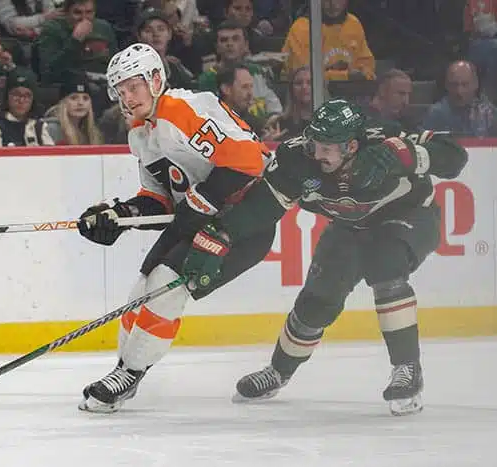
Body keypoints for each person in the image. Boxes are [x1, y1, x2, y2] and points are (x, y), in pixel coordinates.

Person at [181, 98, 468, 415]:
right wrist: (223, 234)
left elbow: (455, 156)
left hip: (411, 216)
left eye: (328, 148)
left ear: (353, 146)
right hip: (349, 227)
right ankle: (278, 371)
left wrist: (408, 155)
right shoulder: (296, 157)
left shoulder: (385, 137)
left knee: (386, 262)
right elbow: (262, 207)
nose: (317, 155)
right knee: (317, 300)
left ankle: (407, 370)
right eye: (315, 143)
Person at [75, 42, 273, 413]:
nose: (126, 97)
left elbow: (252, 160)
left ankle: (130, 374)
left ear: (154, 79)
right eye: (120, 90)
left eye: (133, 86)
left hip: (244, 220)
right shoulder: (141, 135)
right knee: (143, 286)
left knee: (165, 284)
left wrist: (201, 201)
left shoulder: (184, 110)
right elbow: (160, 202)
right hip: (205, 218)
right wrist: (120, 215)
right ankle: (124, 372)